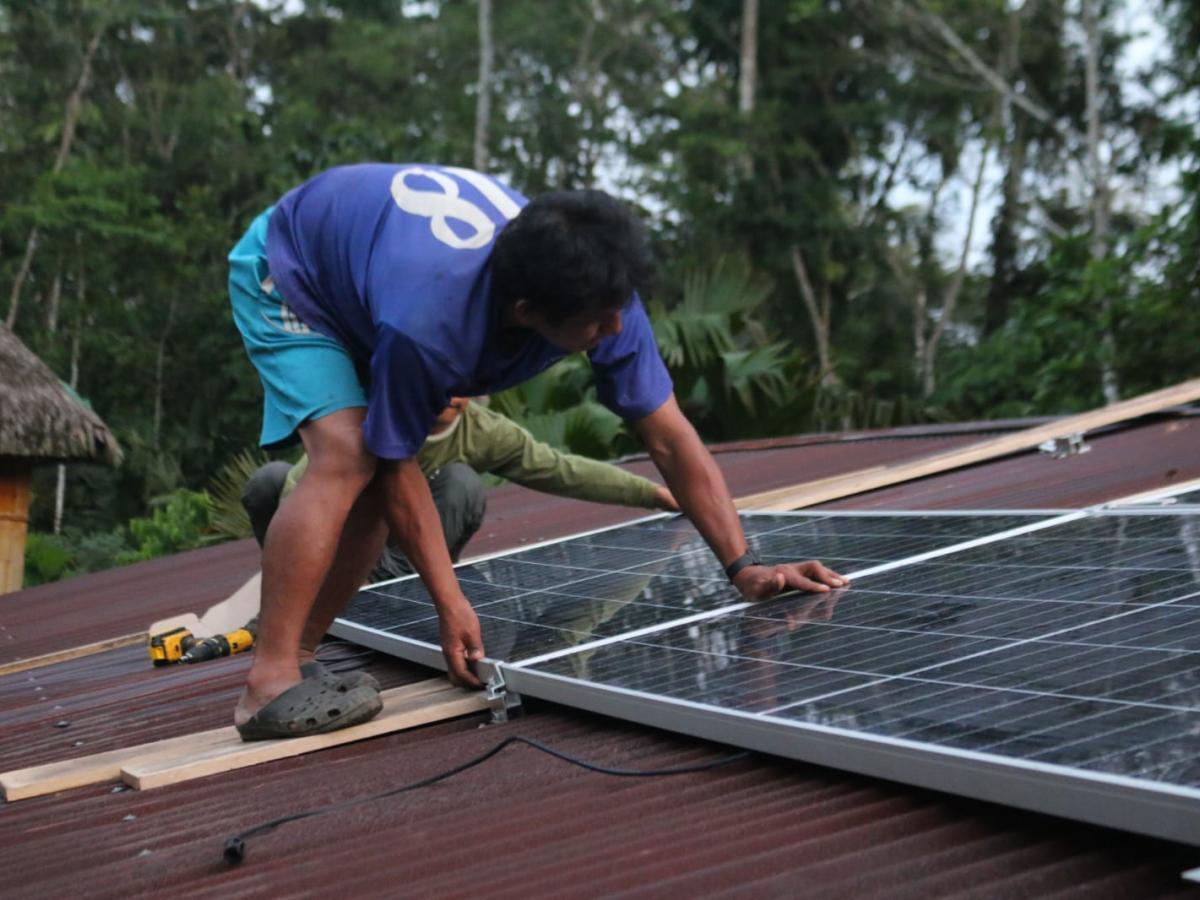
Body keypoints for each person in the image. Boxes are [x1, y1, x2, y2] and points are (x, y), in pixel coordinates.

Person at [228, 162, 846, 740]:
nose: (614, 331)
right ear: (525, 313)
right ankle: (267, 683)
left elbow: (668, 435)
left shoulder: (598, 289)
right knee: (348, 457)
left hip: (374, 271)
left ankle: (300, 658)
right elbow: (397, 464)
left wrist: (744, 566)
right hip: (291, 269)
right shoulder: (431, 328)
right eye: (598, 323)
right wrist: (450, 602)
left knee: (364, 475)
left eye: (617, 313)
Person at [240, 395, 679, 583]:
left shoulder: (481, 431)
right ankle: (311, 595)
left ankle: (406, 593)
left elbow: (561, 469)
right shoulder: (368, 419)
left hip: (411, 560)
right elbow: (301, 487)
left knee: (461, 482)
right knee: (270, 482)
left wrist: (652, 494)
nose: (451, 392)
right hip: (338, 551)